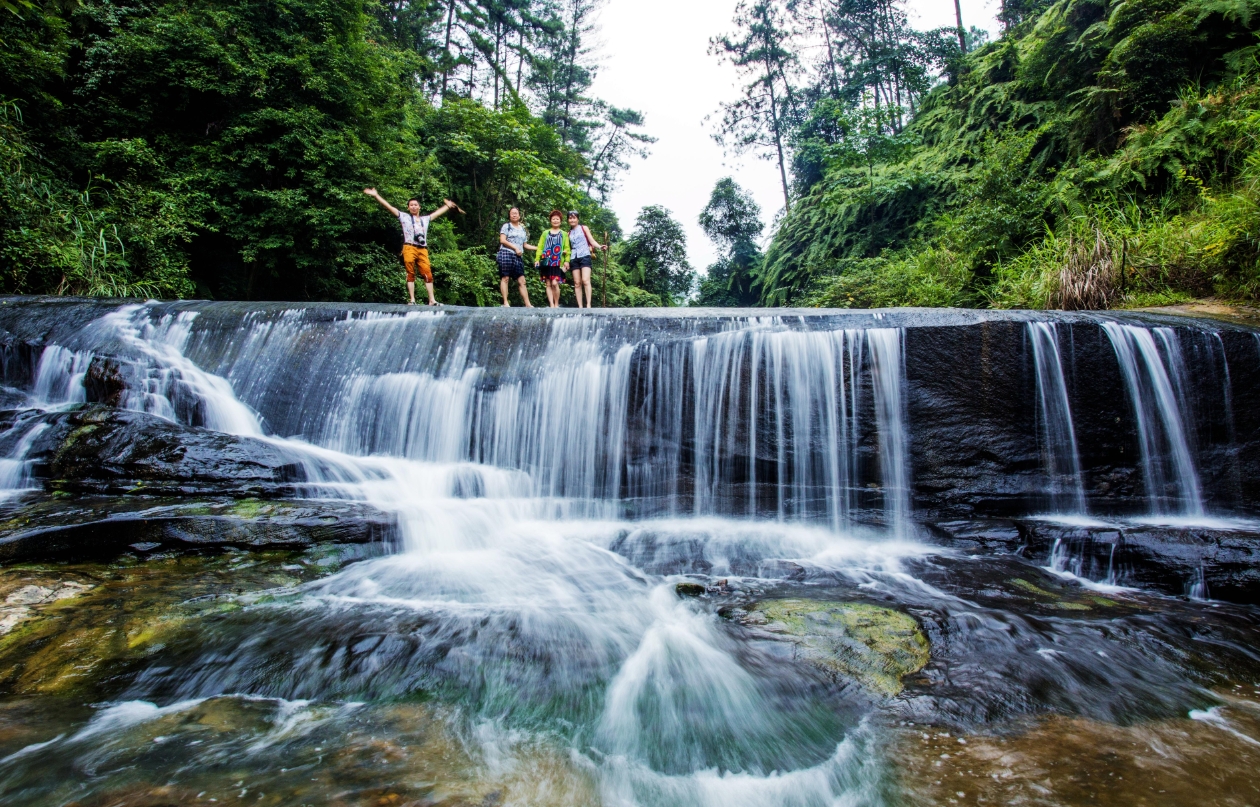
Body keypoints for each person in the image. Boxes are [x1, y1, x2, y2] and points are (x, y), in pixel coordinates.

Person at [363, 188, 455, 305]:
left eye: (415, 205)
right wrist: (376, 196)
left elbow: (436, 214)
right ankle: (412, 299)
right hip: (409, 247)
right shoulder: (404, 217)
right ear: (408, 207)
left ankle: (432, 300)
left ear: (419, 207)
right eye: (411, 205)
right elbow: (389, 207)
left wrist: (447, 206)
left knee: (427, 273)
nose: (413, 207)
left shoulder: (425, 219)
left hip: (422, 249)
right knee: (410, 272)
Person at [567, 211, 607, 309]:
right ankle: (580, 306)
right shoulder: (568, 233)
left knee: (585, 280)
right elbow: (568, 248)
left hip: (585, 255)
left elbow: (591, 240)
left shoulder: (584, 228)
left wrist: (600, 247)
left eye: (574, 218)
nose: (572, 220)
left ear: (578, 219)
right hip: (573, 257)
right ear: (568, 220)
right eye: (570, 218)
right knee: (577, 283)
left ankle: (588, 305)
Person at [497, 207, 534, 307]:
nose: (514, 215)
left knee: (522, 280)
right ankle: (505, 302)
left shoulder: (522, 229)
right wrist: (515, 248)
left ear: (519, 215)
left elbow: (525, 245)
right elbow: (502, 240)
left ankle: (528, 304)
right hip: (506, 253)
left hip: (518, 256)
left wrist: (537, 248)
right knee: (505, 278)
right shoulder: (506, 226)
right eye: (512, 213)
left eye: (516, 213)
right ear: (509, 215)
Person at [535, 209, 570, 308]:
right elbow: (540, 246)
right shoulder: (545, 233)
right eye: (553, 219)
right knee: (548, 283)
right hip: (546, 260)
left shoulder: (564, 234)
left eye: (557, 219)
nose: (555, 220)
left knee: (555, 283)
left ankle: (556, 304)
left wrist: (567, 260)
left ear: (560, 221)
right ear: (550, 220)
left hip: (558, 261)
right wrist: (537, 259)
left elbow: (567, 248)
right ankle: (551, 305)